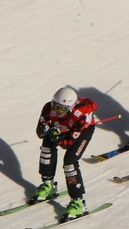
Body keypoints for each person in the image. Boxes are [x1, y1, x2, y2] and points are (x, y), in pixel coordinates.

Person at [34, 86, 98, 218]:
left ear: (70, 108)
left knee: (70, 162)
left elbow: (68, 144)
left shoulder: (80, 116)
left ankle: (78, 202)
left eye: (61, 109)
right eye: (55, 107)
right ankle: (47, 183)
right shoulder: (48, 108)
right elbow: (40, 132)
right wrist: (44, 130)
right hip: (61, 128)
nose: (57, 112)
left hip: (82, 131)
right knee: (46, 148)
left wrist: (58, 137)